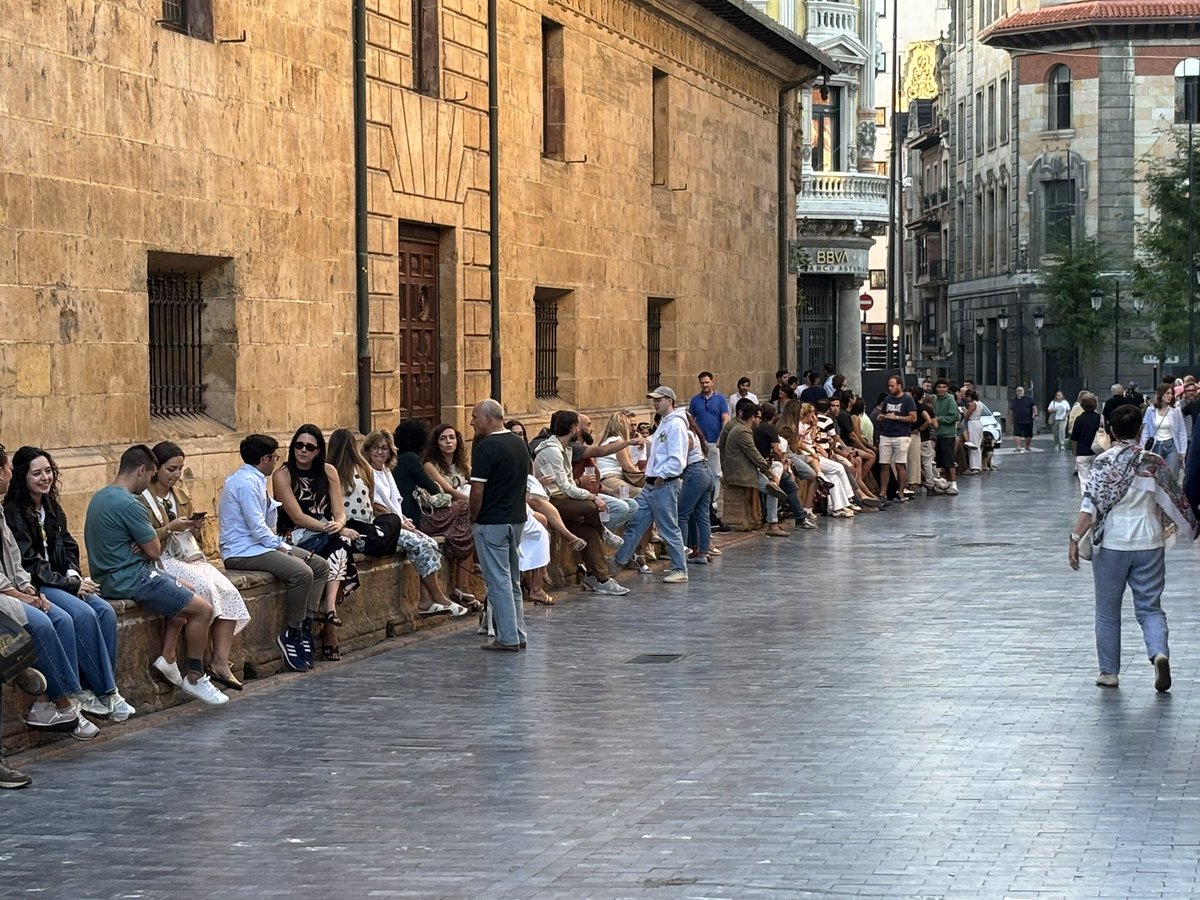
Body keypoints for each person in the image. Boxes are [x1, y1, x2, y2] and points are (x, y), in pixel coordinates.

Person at [84, 445, 226, 705]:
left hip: (111, 576)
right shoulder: (131, 503)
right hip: (133, 579)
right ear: (141, 470)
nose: (150, 482)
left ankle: (168, 657)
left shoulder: (100, 496)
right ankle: (196, 676)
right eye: (150, 475)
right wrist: (147, 541)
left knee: (187, 589)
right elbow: (154, 550)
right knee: (203, 610)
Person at [1069, 404, 1197, 692]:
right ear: (1141, 429)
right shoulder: (1153, 462)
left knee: (1107, 611)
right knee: (1150, 607)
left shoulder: (1102, 463)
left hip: (1112, 544)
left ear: (1111, 430)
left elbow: (1090, 506)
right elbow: (1176, 500)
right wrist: (1190, 527)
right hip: (1149, 541)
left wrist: (1075, 538)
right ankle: (1158, 652)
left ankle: (1109, 672)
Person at [4, 447, 133, 719]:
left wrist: (74, 575)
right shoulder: (14, 512)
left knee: (105, 612)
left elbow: (69, 546)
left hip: (63, 580)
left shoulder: (50, 507)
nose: (44, 478)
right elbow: (30, 563)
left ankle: (100, 690)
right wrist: (69, 585)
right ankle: (100, 691)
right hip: (43, 583)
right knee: (81, 614)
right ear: (21, 476)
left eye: (48, 471)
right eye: (36, 473)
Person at [0, 444, 100, 741]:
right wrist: (20, 595)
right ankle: (65, 703)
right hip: (5, 594)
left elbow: (15, 560)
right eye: (6, 468)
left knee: (60, 617)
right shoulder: (12, 509)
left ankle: (55, 701)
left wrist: (27, 586)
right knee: (42, 624)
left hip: (15, 589)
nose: (8, 473)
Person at [139, 442, 250, 690]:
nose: (177, 475)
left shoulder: (180, 497)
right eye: (171, 469)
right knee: (204, 591)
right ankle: (200, 662)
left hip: (186, 555)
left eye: (180, 469)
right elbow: (144, 539)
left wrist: (194, 528)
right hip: (162, 559)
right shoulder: (142, 500)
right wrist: (169, 528)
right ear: (156, 469)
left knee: (227, 589)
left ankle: (221, 660)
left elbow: (192, 538)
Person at [220, 434, 330, 673]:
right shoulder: (245, 483)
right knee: (302, 573)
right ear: (264, 458)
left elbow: (268, 520)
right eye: (274, 457)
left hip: (260, 545)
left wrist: (271, 506)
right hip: (243, 550)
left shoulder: (257, 480)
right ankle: (292, 631)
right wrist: (284, 548)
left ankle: (306, 625)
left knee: (320, 566)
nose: (276, 462)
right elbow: (257, 529)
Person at [358, 429, 469, 618]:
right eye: (375, 448)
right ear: (368, 450)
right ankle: (439, 597)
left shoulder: (386, 471)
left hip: (396, 521)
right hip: (381, 525)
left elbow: (395, 501)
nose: (379, 452)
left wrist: (404, 520)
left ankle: (425, 600)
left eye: (384, 448)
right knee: (420, 544)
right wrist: (399, 522)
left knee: (431, 543)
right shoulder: (365, 472)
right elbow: (375, 504)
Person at [273, 425, 359, 664]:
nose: (303, 451)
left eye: (309, 447)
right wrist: (330, 527)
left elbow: (340, 512)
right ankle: (328, 620)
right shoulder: (283, 474)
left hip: (327, 533)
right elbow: (297, 516)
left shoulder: (328, 471)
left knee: (339, 544)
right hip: (296, 534)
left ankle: (329, 609)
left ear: (318, 450)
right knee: (340, 545)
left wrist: (338, 524)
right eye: (298, 445)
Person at [535, 410, 628, 595]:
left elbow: (568, 484)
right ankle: (604, 532)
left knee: (589, 533)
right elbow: (565, 487)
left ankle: (598, 578)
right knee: (591, 506)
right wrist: (592, 496)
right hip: (551, 501)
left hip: (564, 500)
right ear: (573, 428)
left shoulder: (566, 448)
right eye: (578, 425)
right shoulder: (552, 451)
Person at [469, 399, 531, 651]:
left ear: (488, 418)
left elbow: (477, 489)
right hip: (515, 518)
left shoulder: (486, 446)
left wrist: (474, 516)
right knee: (513, 579)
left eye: (475, 417)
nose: (472, 422)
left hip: (492, 520)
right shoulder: (519, 443)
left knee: (498, 580)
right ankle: (518, 631)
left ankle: (507, 637)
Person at [615, 386, 691, 583]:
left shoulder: (676, 425)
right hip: (652, 485)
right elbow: (659, 449)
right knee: (636, 524)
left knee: (668, 527)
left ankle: (680, 569)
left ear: (670, 401)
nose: (655, 403)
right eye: (654, 400)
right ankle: (616, 563)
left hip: (663, 484)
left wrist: (662, 475)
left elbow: (677, 458)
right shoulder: (665, 424)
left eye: (659, 400)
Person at [393, 419, 478, 583]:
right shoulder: (412, 460)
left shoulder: (400, 459)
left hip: (410, 515)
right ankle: (462, 574)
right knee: (464, 507)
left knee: (465, 521)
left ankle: (459, 540)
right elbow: (435, 489)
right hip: (417, 517)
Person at [420, 424, 481, 607]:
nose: (448, 442)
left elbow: (475, 483)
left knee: (472, 528)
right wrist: (471, 501)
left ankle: (464, 585)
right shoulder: (430, 465)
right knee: (468, 514)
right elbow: (447, 490)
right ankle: (465, 581)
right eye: (443, 438)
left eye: (452, 438)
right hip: (442, 511)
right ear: (436, 443)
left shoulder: (463, 466)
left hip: (463, 513)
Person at [688, 372, 730, 509]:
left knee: (716, 472)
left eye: (707, 382)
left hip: (715, 441)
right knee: (701, 472)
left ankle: (714, 502)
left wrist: (721, 436)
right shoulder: (695, 400)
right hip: (700, 443)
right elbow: (691, 421)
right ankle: (702, 500)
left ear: (712, 382)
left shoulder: (721, 399)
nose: (705, 385)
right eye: (702, 383)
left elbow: (725, 418)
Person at [877, 376, 918, 500]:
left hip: (901, 435)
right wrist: (882, 417)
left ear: (899, 385)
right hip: (886, 434)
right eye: (889, 386)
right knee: (884, 464)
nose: (890, 388)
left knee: (900, 464)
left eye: (892, 386)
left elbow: (913, 418)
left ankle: (901, 492)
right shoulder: (888, 400)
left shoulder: (907, 399)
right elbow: (882, 414)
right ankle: (882, 493)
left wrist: (898, 418)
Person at [1141, 384, 1188, 481]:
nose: (1170, 396)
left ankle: (1170, 495)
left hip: (1171, 445)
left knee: (1171, 475)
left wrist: (1183, 451)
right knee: (1156, 476)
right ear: (1160, 394)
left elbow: (1181, 431)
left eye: (1172, 394)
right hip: (1155, 445)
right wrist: (1143, 449)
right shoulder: (1150, 411)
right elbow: (1146, 431)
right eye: (1167, 393)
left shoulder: (1175, 411)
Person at [1069, 392, 1103, 495]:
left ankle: (1086, 498)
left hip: (1083, 452)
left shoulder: (1079, 419)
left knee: (1083, 479)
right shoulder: (1100, 418)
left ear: (1082, 405)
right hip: (1098, 451)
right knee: (1097, 477)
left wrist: (1074, 451)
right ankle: (1096, 495)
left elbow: (1074, 437)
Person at [932, 379, 960, 494]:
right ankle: (948, 483)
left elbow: (954, 416)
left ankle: (954, 483)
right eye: (939, 387)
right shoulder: (936, 400)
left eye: (944, 387)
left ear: (947, 388)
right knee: (942, 461)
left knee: (949, 460)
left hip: (948, 434)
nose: (941, 389)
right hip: (939, 433)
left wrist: (939, 419)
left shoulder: (950, 400)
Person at [1009, 386, 1037, 452]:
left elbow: (1034, 407)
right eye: (1018, 391)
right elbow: (1011, 411)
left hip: (1028, 420)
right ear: (1016, 392)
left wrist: (1035, 414)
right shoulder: (1014, 401)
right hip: (1017, 420)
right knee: (1017, 434)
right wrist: (1010, 420)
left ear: (1023, 391)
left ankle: (1027, 446)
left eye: (1021, 390)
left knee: (1028, 435)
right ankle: (1018, 447)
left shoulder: (1029, 399)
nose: (1019, 392)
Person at [961, 388, 983, 474]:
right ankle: (978, 465)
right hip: (978, 423)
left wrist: (964, 411)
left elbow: (967, 415)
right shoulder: (980, 403)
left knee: (973, 445)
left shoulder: (973, 404)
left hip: (973, 423)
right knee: (978, 444)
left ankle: (974, 467)